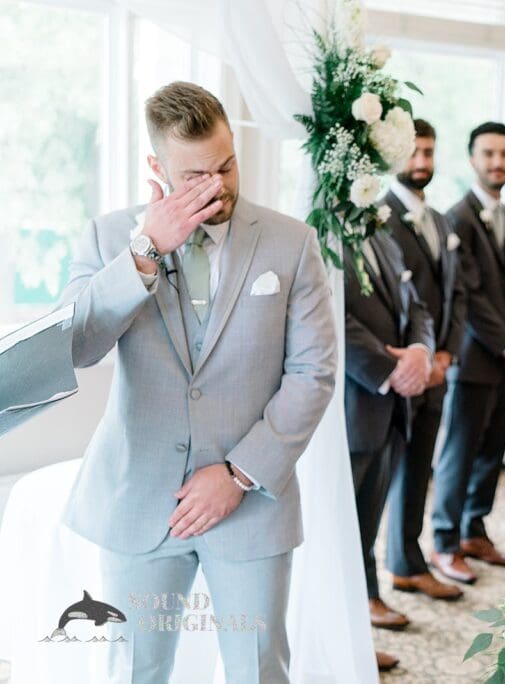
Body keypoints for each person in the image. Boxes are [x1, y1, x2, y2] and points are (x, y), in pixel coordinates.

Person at [57, 81, 338, 682]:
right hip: (137, 501)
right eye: (195, 176)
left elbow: (314, 372)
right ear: (156, 167)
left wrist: (239, 474)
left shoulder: (293, 242)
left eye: (227, 165)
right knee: (135, 670)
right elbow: (75, 347)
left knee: (258, 670)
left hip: (251, 506)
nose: (218, 186)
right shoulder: (109, 238)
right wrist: (146, 250)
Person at [429, 122, 505, 584]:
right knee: (460, 451)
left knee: (493, 452)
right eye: (489, 153)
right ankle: (444, 541)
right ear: (472, 159)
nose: (497, 162)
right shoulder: (456, 217)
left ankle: (476, 531)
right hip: (475, 358)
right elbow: (467, 293)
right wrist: (503, 343)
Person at [381, 118, 466, 602]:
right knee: (390, 475)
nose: (422, 162)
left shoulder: (441, 221)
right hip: (403, 369)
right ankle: (388, 570)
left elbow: (456, 296)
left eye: (429, 152)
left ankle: (408, 564)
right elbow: (401, 300)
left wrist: (447, 352)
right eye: (414, 152)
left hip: (439, 366)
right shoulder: (381, 216)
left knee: (420, 470)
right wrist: (423, 356)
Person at [342, 221, 434, 657]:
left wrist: (420, 352)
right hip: (350, 407)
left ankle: (360, 626)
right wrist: (388, 368)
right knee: (340, 531)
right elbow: (332, 316)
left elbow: (416, 307)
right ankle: (341, 639)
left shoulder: (381, 234)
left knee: (367, 526)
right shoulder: (321, 237)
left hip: (389, 410)